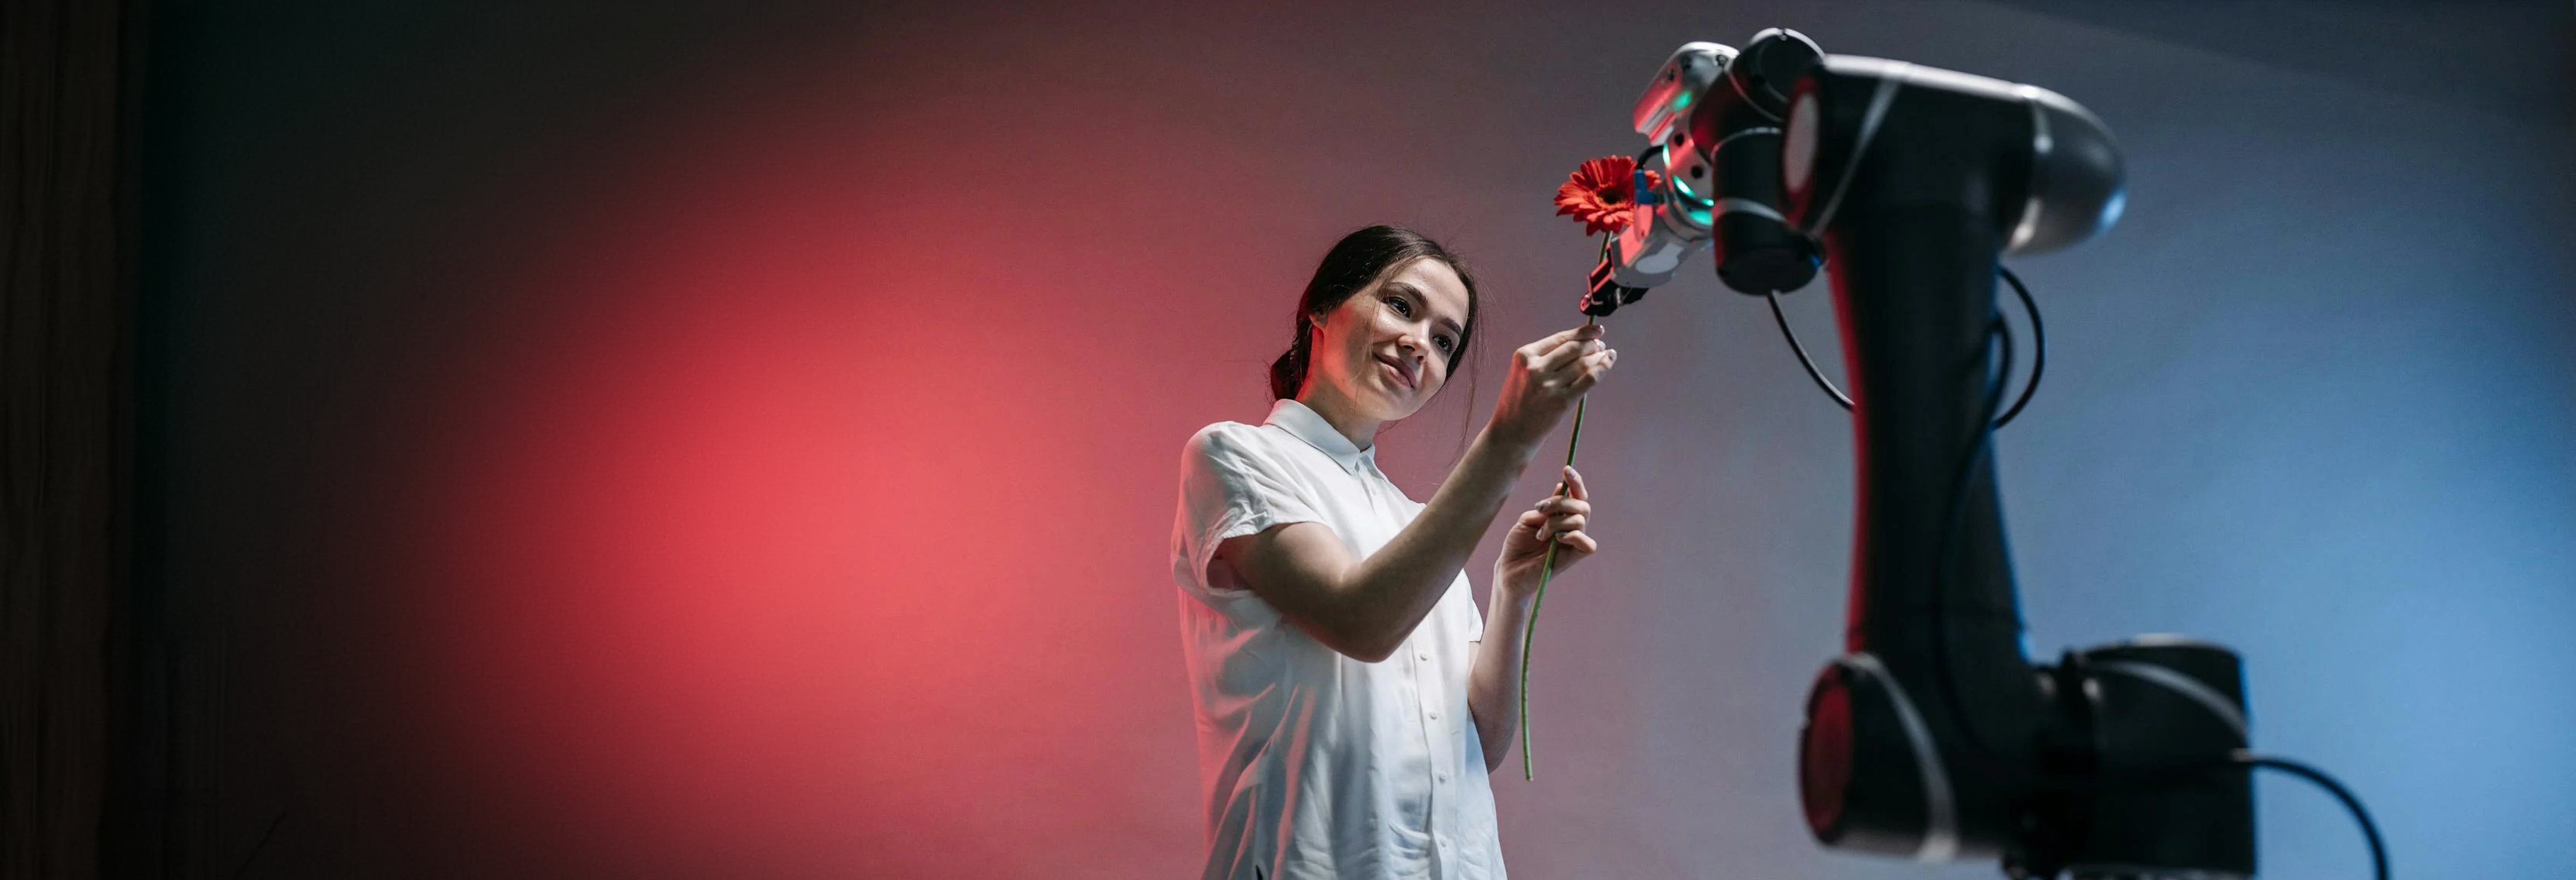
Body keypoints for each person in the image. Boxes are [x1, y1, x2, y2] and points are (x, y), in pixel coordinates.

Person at [1171, 225, 1616, 880]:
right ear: (1321, 308)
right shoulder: (1234, 457)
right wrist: (1509, 436)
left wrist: (1510, 590)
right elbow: (1361, 621)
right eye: (1401, 306)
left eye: (1444, 342)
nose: (1419, 345)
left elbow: (1479, 743)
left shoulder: (1417, 524)